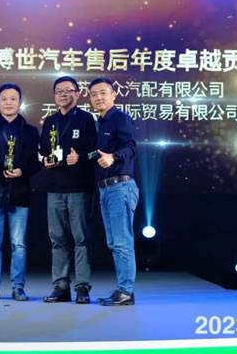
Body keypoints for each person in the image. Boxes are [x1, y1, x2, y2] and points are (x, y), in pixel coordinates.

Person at [0, 83, 40, 301]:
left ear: (20, 102)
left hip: (19, 193)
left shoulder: (30, 131)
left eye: (13, 99)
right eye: (4, 99)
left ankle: (18, 287)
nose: (8, 103)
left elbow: (37, 163)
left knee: (18, 244)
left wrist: (23, 171)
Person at [38, 76, 97, 304]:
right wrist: (45, 159)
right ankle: (60, 286)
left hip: (79, 187)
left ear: (77, 94)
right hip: (54, 188)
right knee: (57, 239)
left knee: (81, 239)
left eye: (68, 90)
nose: (63, 94)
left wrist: (79, 157)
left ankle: (82, 287)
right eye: (59, 91)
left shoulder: (86, 119)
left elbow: (95, 150)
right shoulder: (49, 121)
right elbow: (43, 150)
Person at [88, 77, 139, 306]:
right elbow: (98, 153)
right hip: (105, 189)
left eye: (103, 93)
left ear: (113, 95)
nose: (98, 97)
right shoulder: (99, 123)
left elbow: (131, 147)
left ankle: (126, 291)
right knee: (114, 242)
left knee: (122, 242)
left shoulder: (120, 118)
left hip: (120, 187)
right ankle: (123, 289)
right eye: (94, 94)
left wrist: (113, 157)